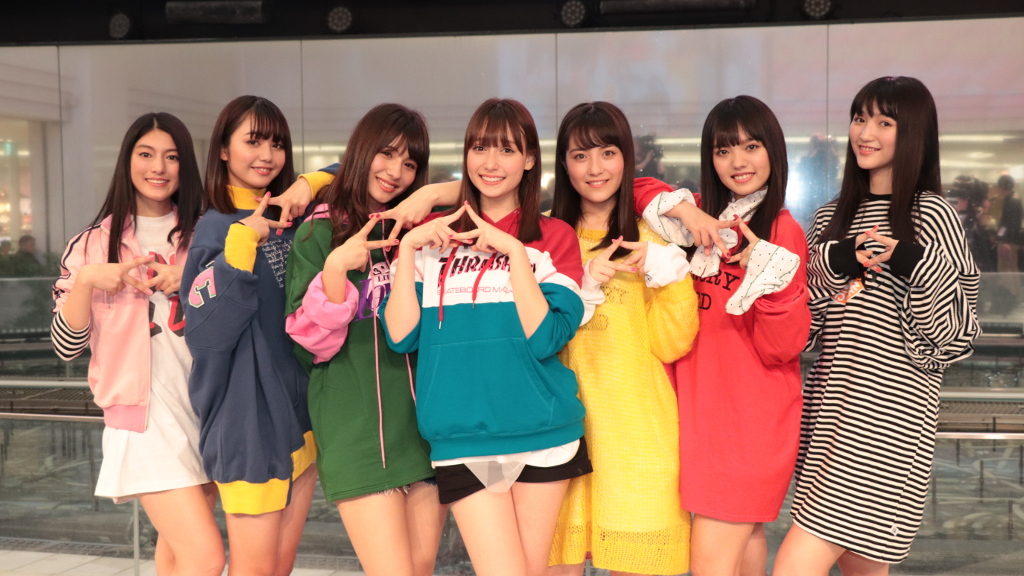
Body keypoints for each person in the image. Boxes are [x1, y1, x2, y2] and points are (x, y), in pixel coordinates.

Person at [773, 76, 980, 575]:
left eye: (884, 122)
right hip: (830, 417)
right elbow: (805, 328)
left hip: (890, 426)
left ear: (913, 134)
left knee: (794, 565)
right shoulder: (829, 218)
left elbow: (954, 335)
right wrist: (835, 262)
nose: (865, 133)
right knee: (863, 569)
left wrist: (909, 260)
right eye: (860, 118)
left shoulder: (932, 214)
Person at [382, 98, 591, 576]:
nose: (491, 163)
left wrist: (515, 252)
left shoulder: (555, 237)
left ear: (530, 159)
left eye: (507, 150)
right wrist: (408, 248)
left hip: (544, 433)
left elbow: (546, 339)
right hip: (462, 436)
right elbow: (401, 336)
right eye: (480, 148)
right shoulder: (432, 238)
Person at [633, 95, 810, 576]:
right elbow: (632, 187)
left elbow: (782, 347)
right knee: (744, 543)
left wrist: (769, 279)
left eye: (751, 146)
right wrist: (687, 212)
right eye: (723, 149)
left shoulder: (780, 231)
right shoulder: (702, 220)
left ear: (773, 150)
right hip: (701, 417)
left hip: (746, 425)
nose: (738, 161)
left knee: (710, 563)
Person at [51, 113, 223, 576]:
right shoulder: (91, 246)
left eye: (172, 157)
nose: (158, 167)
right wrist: (88, 280)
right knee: (206, 557)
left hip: (206, 411)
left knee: (176, 555)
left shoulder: (207, 236)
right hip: (143, 420)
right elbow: (66, 346)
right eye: (146, 154)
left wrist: (191, 278)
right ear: (127, 161)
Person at [284, 103, 445, 576]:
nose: (395, 172)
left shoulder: (423, 229)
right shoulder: (318, 232)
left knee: (420, 567)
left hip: (425, 427)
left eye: (410, 163)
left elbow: (487, 190)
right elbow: (309, 343)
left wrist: (433, 192)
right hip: (355, 430)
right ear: (361, 150)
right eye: (386, 154)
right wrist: (336, 269)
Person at [545, 101, 699, 576]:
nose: (595, 168)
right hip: (558, 436)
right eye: (580, 155)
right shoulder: (546, 236)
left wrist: (671, 275)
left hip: (637, 439)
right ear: (563, 163)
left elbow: (672, 343)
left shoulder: (654, 237)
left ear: (626, 158)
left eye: (607, 153)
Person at [181, 95, 317, 576]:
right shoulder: (215, 230)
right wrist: (242, 241)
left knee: (280, 565)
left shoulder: (291, 216)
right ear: (223, 149)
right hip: (248, 423)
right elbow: (207, 334)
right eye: (253, 141)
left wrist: (308, 183)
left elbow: (353, 170)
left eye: (277, 144)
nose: (267, 155)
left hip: (301, 416)